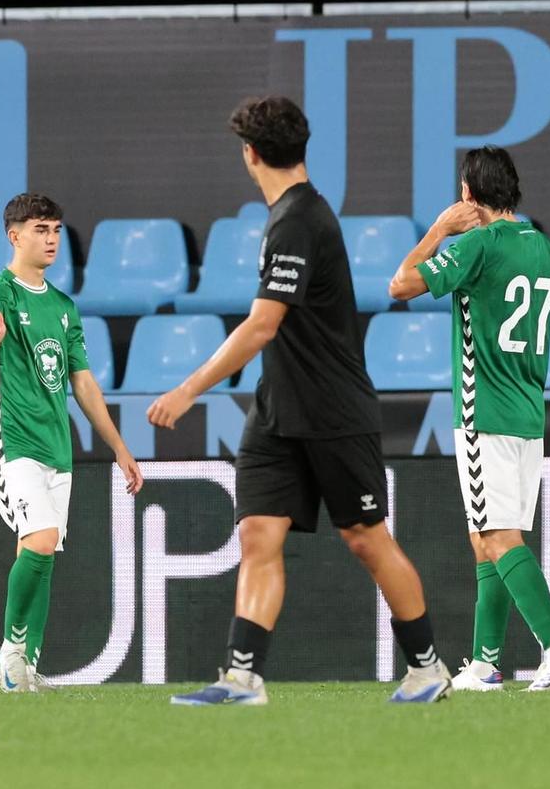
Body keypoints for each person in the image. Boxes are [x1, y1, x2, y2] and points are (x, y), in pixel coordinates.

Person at [149, 96, 450, 705]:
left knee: (367, 538)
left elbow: (262, 326)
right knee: (259, 532)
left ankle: (427, 669)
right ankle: (242, 679)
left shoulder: (299, 219)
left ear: (250, 154)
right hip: (276, 410)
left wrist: (186, 390)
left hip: (333, 410)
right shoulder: (289, 214)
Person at [386, 145, 550, 692]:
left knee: (497, 537)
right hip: (526, 416)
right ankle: (484, 663)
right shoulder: (541, 247)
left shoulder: (476, 243)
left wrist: (437, 230)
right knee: (490, 537)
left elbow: (400, 284)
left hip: (485, 413)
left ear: (469, 195)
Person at [0, 193, 143, 692]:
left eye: (56, 230)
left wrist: (119, 447)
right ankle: (10, 650)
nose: (50, 239)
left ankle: (24, 671)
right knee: (41, 540)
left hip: (56, 446)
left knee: (42, 551)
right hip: (9, 441)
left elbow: (83, 384)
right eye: (40, 229)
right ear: (14, 235)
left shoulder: (64, 307)